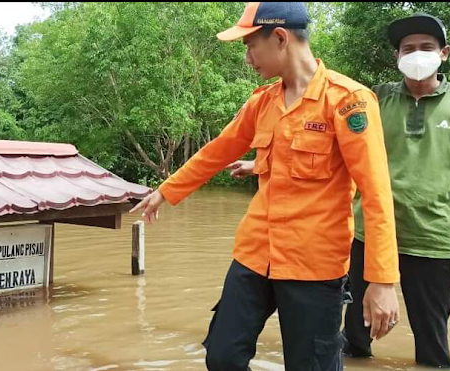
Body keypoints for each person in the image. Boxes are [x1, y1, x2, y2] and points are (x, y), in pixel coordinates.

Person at [130, 3, 401, 370]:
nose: (247, 58)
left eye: (250, 46)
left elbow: (376, 194)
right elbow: (217, 150)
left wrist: (382, 281)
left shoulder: (347, 102)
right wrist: (166, 190)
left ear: (279, 38)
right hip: (255, 255)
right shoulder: (263, 102)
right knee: (222, 356)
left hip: (314, 266)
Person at [228, 12, 450, 369]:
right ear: (397, 57)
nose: (417, 55)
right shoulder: (376, 99)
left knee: (432, 344)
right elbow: (332, 151)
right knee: (352, 340)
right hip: (366, 235)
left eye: (426, 47)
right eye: (408, 49)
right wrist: (261, 164)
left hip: (430, 236)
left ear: (444, 53)